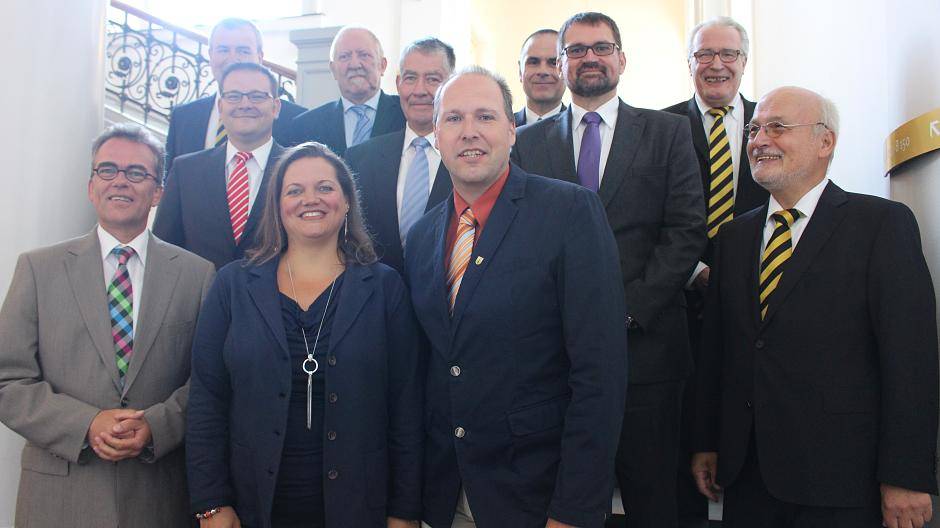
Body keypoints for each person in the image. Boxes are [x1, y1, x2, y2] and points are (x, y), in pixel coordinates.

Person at [692, 86, 939, 528]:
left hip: (842, 481)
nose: (759, 140)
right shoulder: (732, 238)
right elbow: (719, 351)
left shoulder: (881, 226)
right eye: (754, 129)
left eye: (777, 128)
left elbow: (911, 360)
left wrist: (906, 475)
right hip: (748, 476)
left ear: (825, 142)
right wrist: (708, 441)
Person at [407, 66, 627, 528]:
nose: (470, 132)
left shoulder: (570, 212)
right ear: (436, 134)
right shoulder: (423, 235)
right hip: (445, 495)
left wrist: (573, 510)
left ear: (512, 129)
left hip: (536, 497)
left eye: (485, 117)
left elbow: (600, 375)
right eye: (453, 119)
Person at [511, 12, 706, 528]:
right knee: (565, 501)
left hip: (649, 357)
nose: (589, 57)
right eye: (576, 50)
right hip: (554, 362)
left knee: (653, 501)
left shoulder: (669, 132)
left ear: (622, 58)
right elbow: (521, 241)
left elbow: (685, 231)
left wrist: (625, 311)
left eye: (601, 47)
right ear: (560, 64)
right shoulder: (525, 145)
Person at [186, 142, 424, 528]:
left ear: (347, 201)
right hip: (252, 508)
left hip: (360, 508)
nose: (310, 199)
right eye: (294, 190)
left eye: (325, 188)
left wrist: (404, 511)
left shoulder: (384, 288)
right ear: (277, 205)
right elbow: (207, 400)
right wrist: (211, 502)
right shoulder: (232, 284)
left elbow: (407, 406)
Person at [0, 123, 215, 528]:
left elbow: (208, 381)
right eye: (108, 170)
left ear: (157, 192)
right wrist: (86, 424)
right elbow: (7, 380)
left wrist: (156, 425)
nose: (121, 181)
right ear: (90, 185)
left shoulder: (197, 275)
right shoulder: (38, 269)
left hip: (157, 497)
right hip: (59, 498)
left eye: (137, 173)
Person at [661, 16, 766, 527]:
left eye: (728, 54)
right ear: (690, 64)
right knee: (685, 444)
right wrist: (697, 271)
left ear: (744, 62)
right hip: (679, 307)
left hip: (759, 310)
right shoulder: (660, 126)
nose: (716, 64)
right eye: (705, 54)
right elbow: (650, 219)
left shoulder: (770, 126)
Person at [154, 62, 287, 271]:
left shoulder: (297, 170)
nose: (245, 104)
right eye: (233, 96)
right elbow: (163, 250)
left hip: (277, 301)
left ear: (276, 107)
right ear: (220, 106)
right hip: (199, 301)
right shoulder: (185, 171)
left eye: (257, 96)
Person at [345, 37, 456, 272]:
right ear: (398, 83)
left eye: (433, 79)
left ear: (451, 84)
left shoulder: (468, 158)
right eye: (411, 78)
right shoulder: (361, 158)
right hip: (377, 298)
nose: (420, 90)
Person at [164, 18, 305, 174]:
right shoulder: (183, 117)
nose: (232, 59)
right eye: (223, 50)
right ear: (211, 54)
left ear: (260, 57)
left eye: (243, 51)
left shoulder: (297, 119)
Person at [290, 27, 406, 156]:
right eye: (344, 56)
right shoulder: (305, 125)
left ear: (382, 65)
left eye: (364, 55)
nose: (355, 64)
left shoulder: (405, 115)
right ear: (333, 69)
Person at [514, 29, 566, 126]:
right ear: (520, 71)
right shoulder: (502, 129)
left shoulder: (583, 131)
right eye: (533, 62)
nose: (543, 71)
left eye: (553, 63)